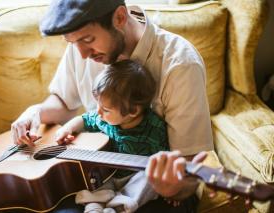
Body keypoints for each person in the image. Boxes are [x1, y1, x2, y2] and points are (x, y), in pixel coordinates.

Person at [11, 0, 214, 212]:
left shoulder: (181, 65)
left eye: (87, 39)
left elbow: (187, 171)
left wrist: (173, 188)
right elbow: (64, 102)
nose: (82, 54)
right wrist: (34, 112)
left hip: (153, 192)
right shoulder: (83, 47)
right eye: (72, 43)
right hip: (99, 178)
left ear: (119, 18)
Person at [55, 59, 168, 213]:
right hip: (106, 176)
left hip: (134, 180)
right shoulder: (101, 119)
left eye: (106, 109)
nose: (98, 112)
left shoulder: (154, 128)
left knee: (150, 178)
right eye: (97, 105)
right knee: (92, 175)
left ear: (133, 111)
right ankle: (94, 207)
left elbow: (164, 161)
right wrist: (66, 129)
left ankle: (120, 205)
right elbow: (83, 119)